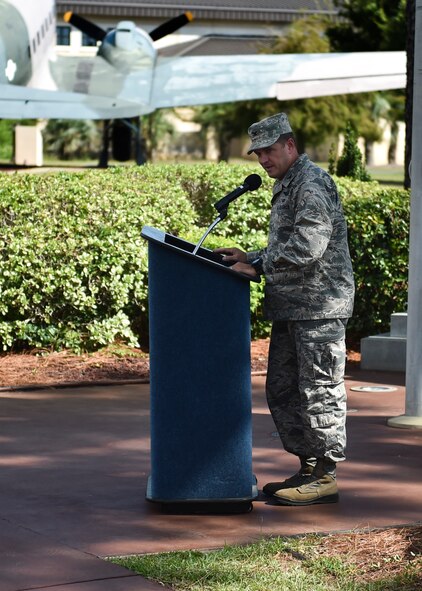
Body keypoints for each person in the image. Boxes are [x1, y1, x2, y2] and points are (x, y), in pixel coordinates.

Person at [215, 112, 355, 506]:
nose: (263, 160)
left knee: (319, 391)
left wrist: (258, 266)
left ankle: (326, 475)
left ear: (290, 145)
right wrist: (251, 256)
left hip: (319, 308)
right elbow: (288, 245)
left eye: (269, 151)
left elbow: (308, 246)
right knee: (284, 389)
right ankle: (309, 466)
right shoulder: (289, 183)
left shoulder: (310, 183)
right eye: (258, 153)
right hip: (293, 307)